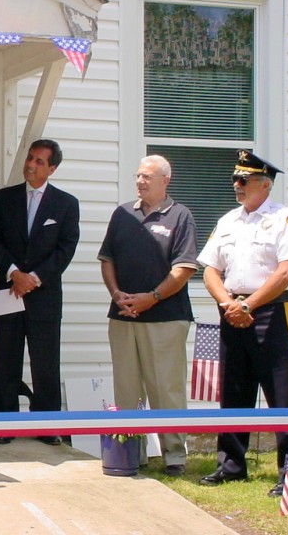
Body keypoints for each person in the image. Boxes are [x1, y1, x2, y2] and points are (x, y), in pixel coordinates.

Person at [197, 149, 288, 496]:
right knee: (233, 391)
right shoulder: (228, 220)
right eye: (235, 179)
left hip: (273, 313)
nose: (236, 185)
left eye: (243, 180)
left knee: (282, 393)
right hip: (231, 309)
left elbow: (286, 270)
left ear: (264, 184)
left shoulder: (286, 218)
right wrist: (228, 303)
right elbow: (211, 269)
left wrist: (249, 306)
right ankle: (230, 466)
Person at [98, 155, 198, 476]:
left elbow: (183, 269)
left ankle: (173, 455)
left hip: (166, 317)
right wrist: (117, 295)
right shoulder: (122, 213)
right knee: (126, 389)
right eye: (138, 176)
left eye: (148, 177)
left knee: (165, 388)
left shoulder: (180, 216)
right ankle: (130, 453)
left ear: (165, 180)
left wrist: (151, 298)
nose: (141, 181)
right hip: (123, 314)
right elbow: (107, 259)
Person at [0, 139, 80, 445]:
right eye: (30, 158)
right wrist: (14, 273)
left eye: (40, 162)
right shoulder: (3, 199)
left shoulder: (66, 204)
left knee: (45, 362)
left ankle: (46, 426)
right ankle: (4, 425)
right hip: (7, 290)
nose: (31, 164)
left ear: (52, 168)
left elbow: (65, 251)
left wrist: (34, 278)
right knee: (5, 359)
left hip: (45, 295)